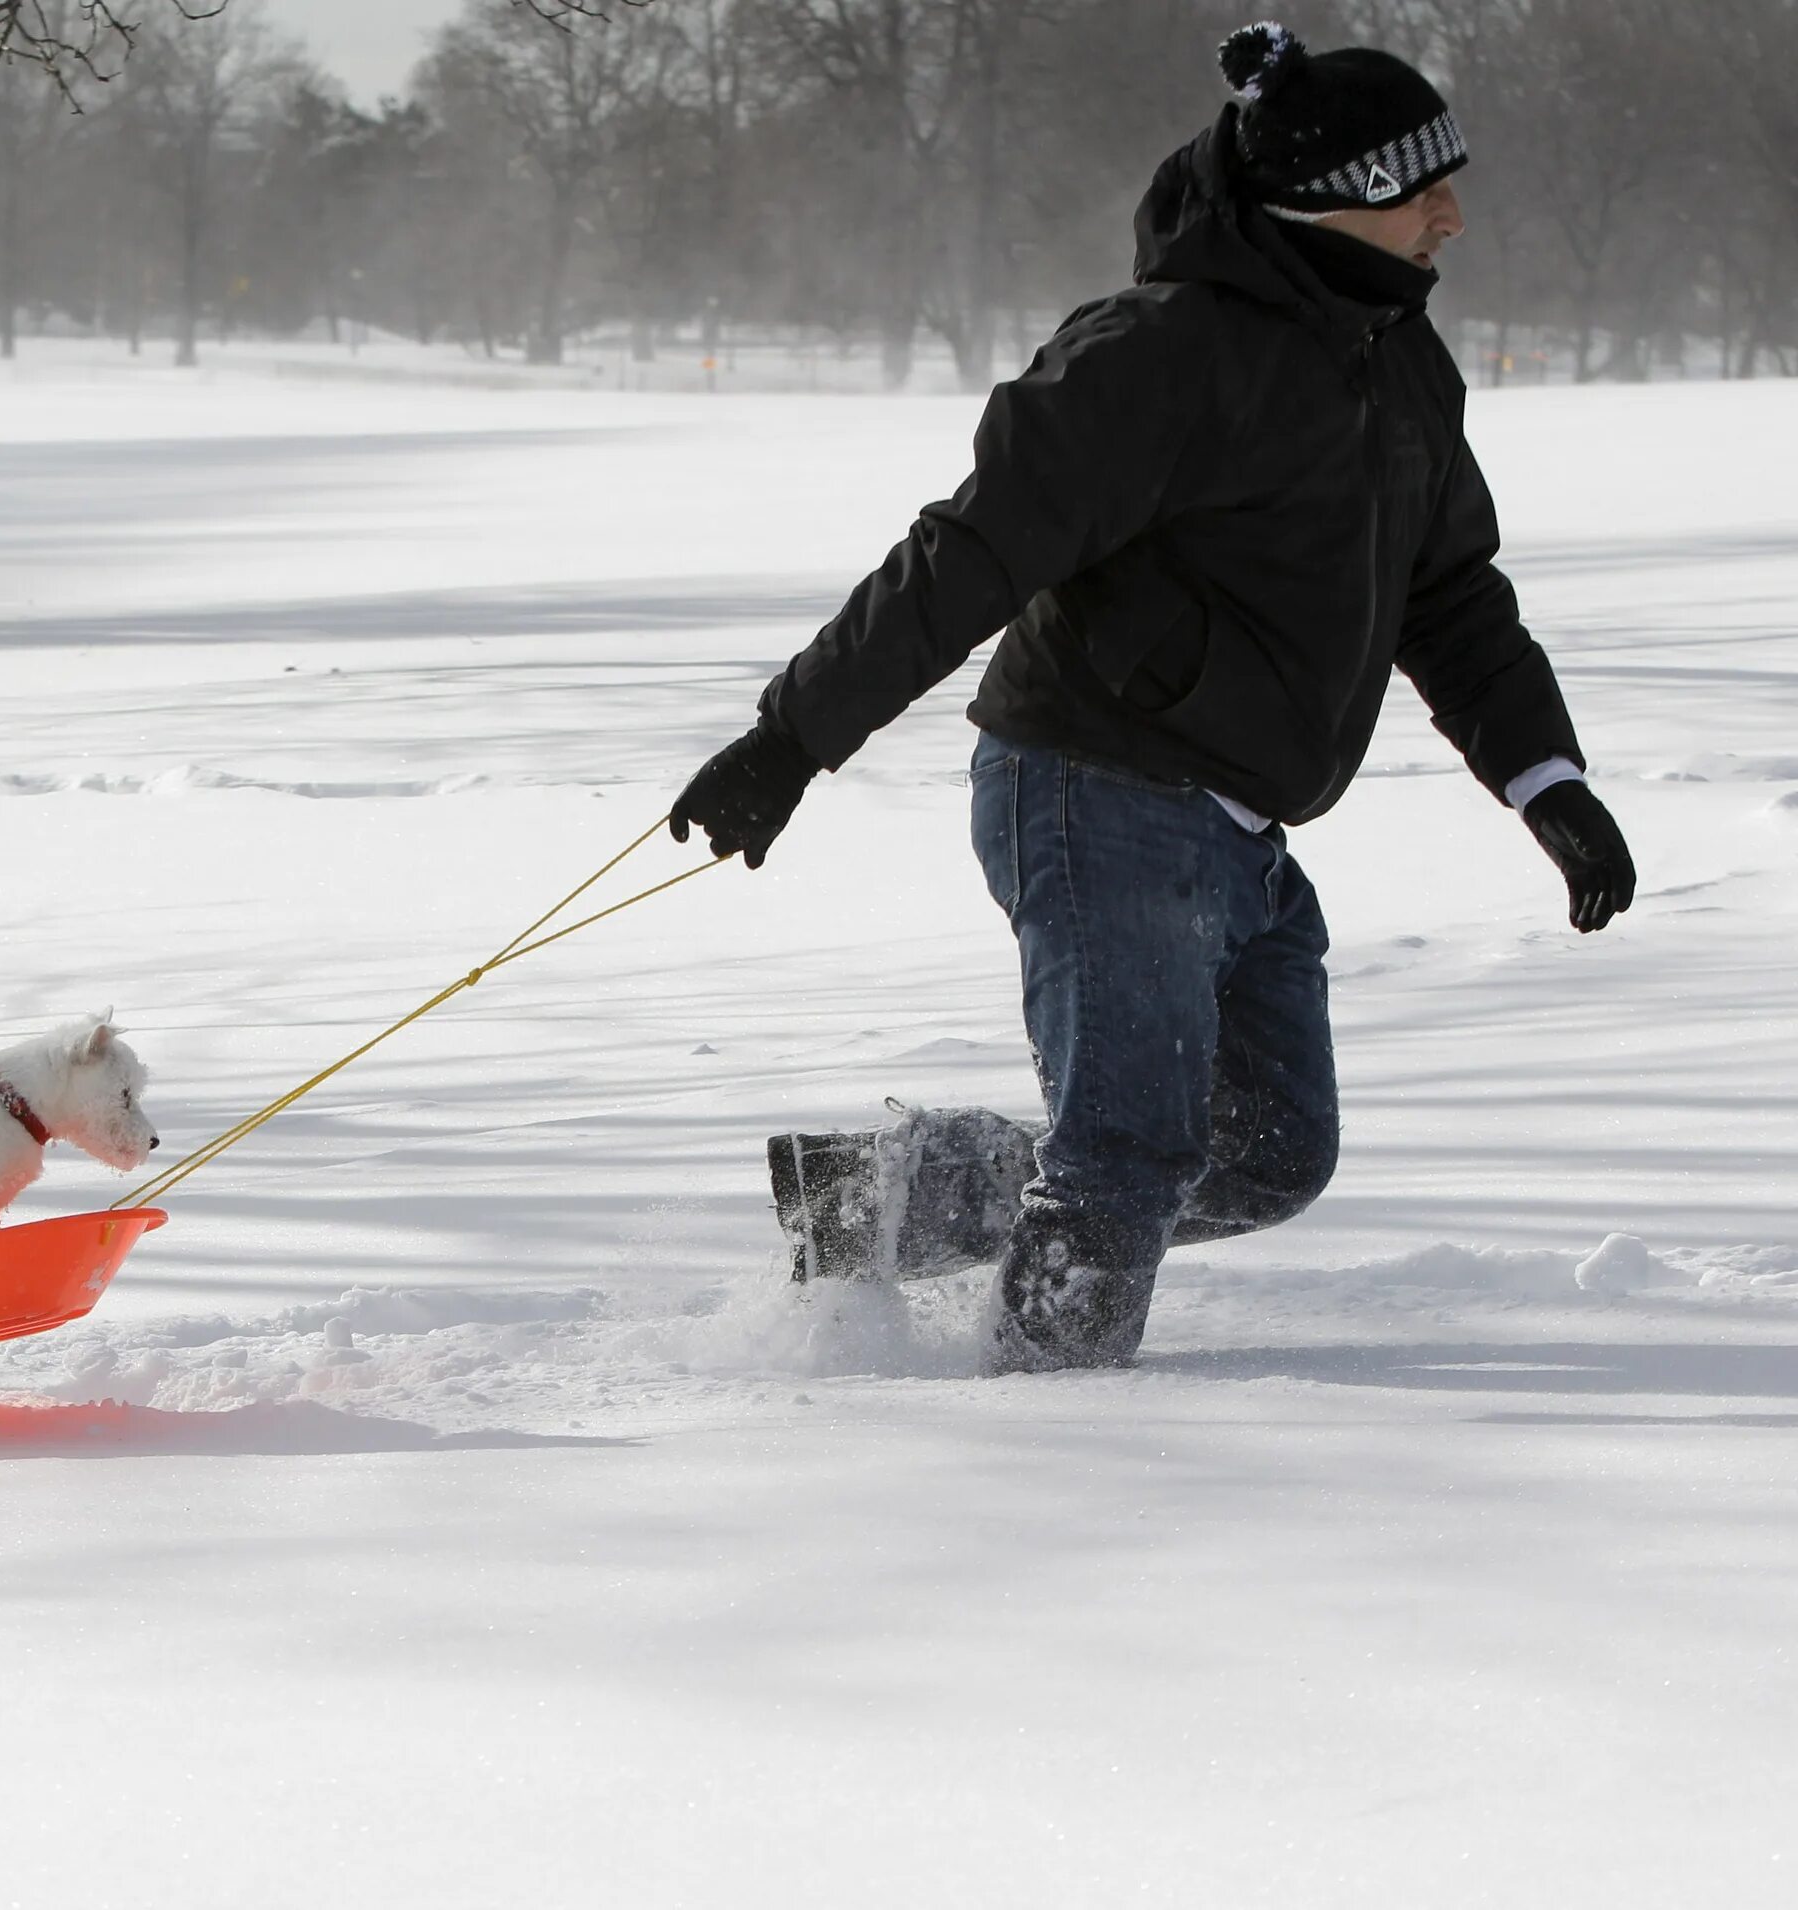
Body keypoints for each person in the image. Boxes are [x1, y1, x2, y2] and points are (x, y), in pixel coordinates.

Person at [668, 23, 1638, 1372]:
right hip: (1097, 786)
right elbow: (972, 553)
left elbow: (1452, 595)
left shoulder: (1398, 360)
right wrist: (791, 740)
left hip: (1243, 823)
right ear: (1326, 204)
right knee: (1127, 1155)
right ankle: (1055, 1450)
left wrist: (1549, 781)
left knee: (1271, 1150)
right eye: (1423, 192)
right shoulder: (1157, 354)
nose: (1453, 218)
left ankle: (869, 1194)